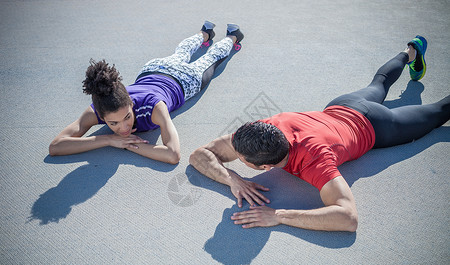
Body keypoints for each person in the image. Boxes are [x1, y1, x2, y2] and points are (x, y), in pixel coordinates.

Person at [189, 35, 450, 232]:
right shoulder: (265, 129)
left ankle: (412, 55)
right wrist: (232, 178)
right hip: (343, 104)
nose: (234, 153)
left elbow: (348, 218)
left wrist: (279, 216)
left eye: (239, 158)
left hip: (378, 126)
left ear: (266, 166)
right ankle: (411, 51)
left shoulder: (315, 162)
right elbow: (200, 154)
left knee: (438, 113)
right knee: (379, 83)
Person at [49, 21, 244, 164]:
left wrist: (126, 143)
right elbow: (56, 146)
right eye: (113, 123)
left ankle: (233, 36)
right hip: (154, 67)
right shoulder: (99, 108)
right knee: (181, 52)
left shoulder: (154, 107)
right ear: (101, 116)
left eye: (126, 116)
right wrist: (109, 139)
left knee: (212, 58)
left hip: (186, 79)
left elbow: (173, 154)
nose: (124, 128)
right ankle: (205, 32)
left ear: (131, 104)